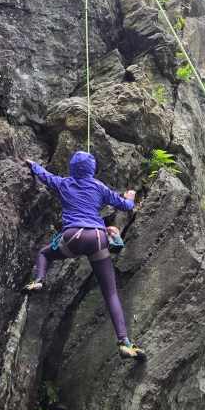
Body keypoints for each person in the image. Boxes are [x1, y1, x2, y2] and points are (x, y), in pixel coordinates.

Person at [24, 150, 145, 360]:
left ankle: (39, 280)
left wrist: (33, 164)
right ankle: (125, 342)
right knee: (111, 294)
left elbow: (45, 176)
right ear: (92, 169)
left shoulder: (64, 183)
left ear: (72, 167)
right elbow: (126, 206)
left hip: (72, 236)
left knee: (44, 254)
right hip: (97, 238)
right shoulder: (99, 187)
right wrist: (131, 196)